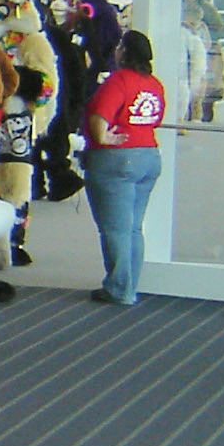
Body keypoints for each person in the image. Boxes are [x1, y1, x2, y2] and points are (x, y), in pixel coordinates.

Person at [82, 29, 165, 305]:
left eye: (119, 46)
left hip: (117, 160)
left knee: (115, 229)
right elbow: (155, 119)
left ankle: (120, 289)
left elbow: (99, 120)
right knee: (133, 229)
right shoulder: (154, 84)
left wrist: (104, 138)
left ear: (125, 52)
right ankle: (129, 284)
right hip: (148, 157)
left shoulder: (118, 81)